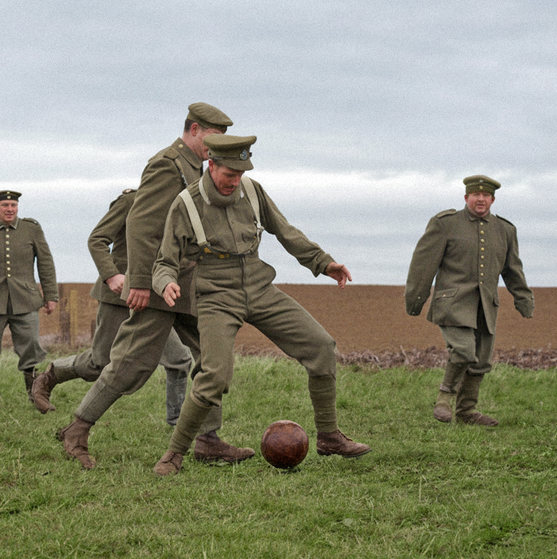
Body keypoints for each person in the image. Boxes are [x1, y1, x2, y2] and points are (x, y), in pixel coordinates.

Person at [152, 133, 370, 477]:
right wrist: (166, 283)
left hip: (259, 286)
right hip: (217, 295)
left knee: (322, 346)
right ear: (211, 165)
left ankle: (329, 436)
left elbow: (285, 231)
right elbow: (165, 260)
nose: (234, 182)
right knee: (214, 375)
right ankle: (174, 454)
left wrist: (322, 263)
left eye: (240, 174)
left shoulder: (252, 191)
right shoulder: (186, 204)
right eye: (228, 175)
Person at [56, 103, 250, 470]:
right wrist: (142, 282)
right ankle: (76, 430)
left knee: (211, 357)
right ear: (193, 130)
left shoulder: (201, 168)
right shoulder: (167, 164)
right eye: (213, 137)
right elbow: (142, 225)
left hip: (193, 283)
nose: (217, 145)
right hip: (162, 283)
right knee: (131, 362)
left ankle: (208, 439)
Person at [31, 188, 194, 425]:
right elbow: (97, 239)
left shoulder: (183, 205)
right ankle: (51, 375)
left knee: (179, 360)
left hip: (155, 299)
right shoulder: (132, 200)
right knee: (100, 363)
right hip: (120, 296)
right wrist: (111, 275)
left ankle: (176, 423)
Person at [405, 175, 534, 427]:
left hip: (485, 306)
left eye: (486, 196)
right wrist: (416, 299)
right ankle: (444, 397)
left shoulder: (505, 230)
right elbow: (423, 264)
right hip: (452, 303)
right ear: (466, 198)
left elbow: (512, 269)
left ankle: (466, 411)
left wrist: (523, 299)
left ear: (493, 200)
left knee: (481, 361)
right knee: (464, 351)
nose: (481, 199)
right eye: (475, 195)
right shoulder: (445, 224)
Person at [0, 190, 58, 405]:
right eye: (5, 205)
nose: (9, 209)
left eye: (13, 205)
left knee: (32, 350)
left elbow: (45, 263)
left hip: (25, 301)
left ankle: (36, 397)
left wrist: (50, 295)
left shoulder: (31, 229)